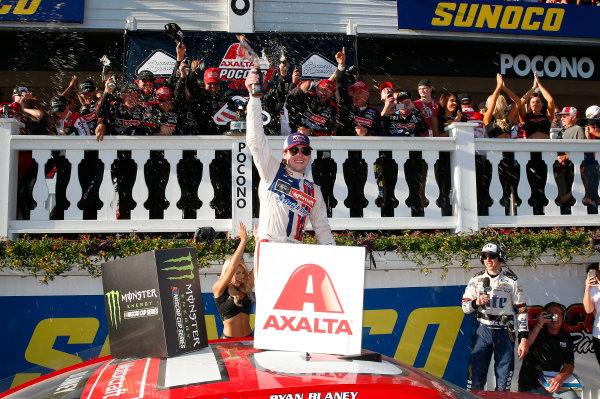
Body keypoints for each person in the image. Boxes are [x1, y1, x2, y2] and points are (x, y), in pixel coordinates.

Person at [245, 68, 335, 247]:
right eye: (294, 151)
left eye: (305, 151)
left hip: (296, 252)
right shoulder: (271, 171)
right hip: (270, 246)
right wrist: (254, 100)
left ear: (310, 156)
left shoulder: (313, 191)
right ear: (285, 154)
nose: (300, 155)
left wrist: (334, 261)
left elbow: (323, 230)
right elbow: (255, 141)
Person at [462, 241, 529, 392]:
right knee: (476, 378)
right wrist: (476, 302)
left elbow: (522, 312)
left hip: (505, 331)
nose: (488, 260)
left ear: (500, 258)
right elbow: (465, 308)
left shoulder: (512, 281)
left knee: (503, 380)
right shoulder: (476, 280)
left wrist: (523, 339)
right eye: (484, 256)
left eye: (492, 256)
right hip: (482, 330)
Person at [518, 302, 578, 399]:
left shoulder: (566, 337)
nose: (554, 318)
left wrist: (560, 378)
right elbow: (525, 346)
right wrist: (539, 324)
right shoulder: (535, 331)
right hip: (530, 385)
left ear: (564, 317)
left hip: (553, 384)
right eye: (550, 315)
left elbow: (569, 365)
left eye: (557, 315)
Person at [484, 74, 522, 215]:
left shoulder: (507, 119)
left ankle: (509, 218)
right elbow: (493, 102)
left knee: (510, 189)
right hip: (495, 158)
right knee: (497, 189)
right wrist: (498, 88)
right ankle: (498, 218)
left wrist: (505, 88)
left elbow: (518, 102)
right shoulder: (488, 119)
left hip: (509, 157)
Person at [519, 71, 555, 215]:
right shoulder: (526, 117)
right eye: (533, 102)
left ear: (541, 103)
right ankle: (534, 213)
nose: (535, 104)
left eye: (538, 101)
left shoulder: (547, 116)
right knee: (533, 183)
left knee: (546, 183)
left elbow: (551, 100)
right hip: (532, 154)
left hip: (546, 153)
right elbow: (520, 102)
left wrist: (539, 85)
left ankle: (546, 213)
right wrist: (533, 89)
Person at [213, 221, 254, 339]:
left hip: (249, 339)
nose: (241, 276)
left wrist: (259, 243)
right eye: (238, 273)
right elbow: (232, 267)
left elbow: (258, 267)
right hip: (229, 343)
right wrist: (243, 241)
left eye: (242, 273)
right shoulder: (219, 289)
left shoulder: (245, 286)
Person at [582, 106, 600, 214]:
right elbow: (590, 147)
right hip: (591, 163)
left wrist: (596, 133)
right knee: (593, 194)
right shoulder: (590, 128)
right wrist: (588, 135)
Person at [583, 263, 600, 366]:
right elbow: (588, 310)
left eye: (596, 273)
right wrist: (587, 288)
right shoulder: (592, 289)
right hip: (598, 334)